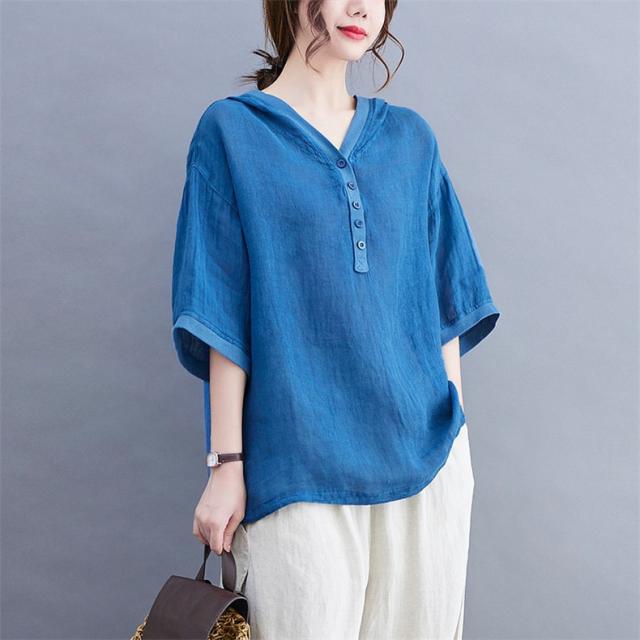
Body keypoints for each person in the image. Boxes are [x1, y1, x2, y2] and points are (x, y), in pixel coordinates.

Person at [171, 1, 501, 638]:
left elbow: (446, 304)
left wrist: (456, 443)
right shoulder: (233, 132)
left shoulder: (411, 140)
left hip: (426, 467)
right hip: (297, 467)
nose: (361, 8)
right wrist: (226, 465)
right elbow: (220, 311)